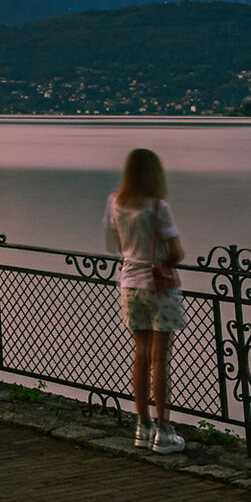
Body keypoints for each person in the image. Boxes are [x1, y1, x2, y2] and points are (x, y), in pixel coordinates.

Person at [104, 146, 187, 453]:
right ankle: (163, 432)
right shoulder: (158, 207)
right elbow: (175, 252)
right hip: (158, 288)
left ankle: (142, 426)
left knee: (140, 356)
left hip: (129, 284)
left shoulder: (115, 203)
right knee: (159, 359)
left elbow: (116, 244)